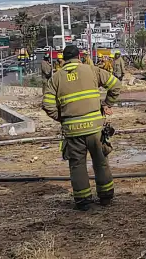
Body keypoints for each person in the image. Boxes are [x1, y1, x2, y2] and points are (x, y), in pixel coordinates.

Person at [42, 45, 122, 211]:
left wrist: (63, 118)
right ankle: (106, 197)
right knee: (100, 161)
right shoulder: (93, 71)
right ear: (79, 56)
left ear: (63, 59)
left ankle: (83, 201)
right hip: (95, 128)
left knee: (77, 165)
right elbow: (115, 85)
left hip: (73, 131)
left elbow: (48, 105)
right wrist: (107, 104)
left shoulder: (55, 79)